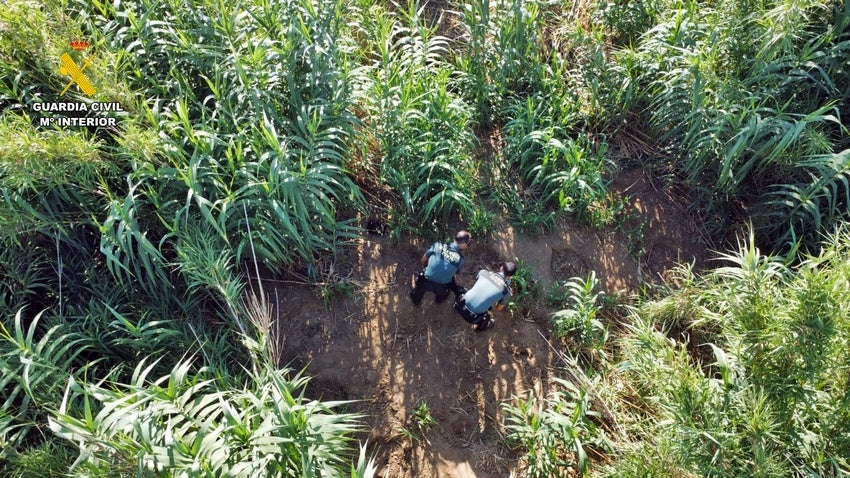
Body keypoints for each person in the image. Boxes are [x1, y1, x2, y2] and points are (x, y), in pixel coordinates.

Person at [410, 231, 471, 306]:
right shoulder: (460, 260)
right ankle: (438, 301)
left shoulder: (437, 245)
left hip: (425, 280)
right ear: (463, 244)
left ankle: (416, 301)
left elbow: (423, 260)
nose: (467, 246)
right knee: (444, 293)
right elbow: (456, 273)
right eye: (468, 244)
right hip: (442, 286)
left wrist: (428, 268)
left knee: (418, 289)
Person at [453, 262, 516, 331]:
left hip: (460, 303)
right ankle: (480, 328)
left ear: (501, 268)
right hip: (472, 317)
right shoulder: (506, 291)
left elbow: (478, 283)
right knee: (487, 317)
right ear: (510, 276)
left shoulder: (483, 272)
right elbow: (498, 308)